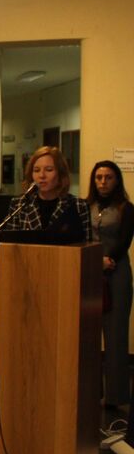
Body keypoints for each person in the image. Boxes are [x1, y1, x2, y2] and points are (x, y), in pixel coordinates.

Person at [86, 160, 133, 409]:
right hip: (90, 270)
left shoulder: (126, 208)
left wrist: (108, 259)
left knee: (115, 334)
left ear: (117, 180)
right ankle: (92, 393)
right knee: (88, 334)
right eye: (99, 177)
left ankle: (116, 397)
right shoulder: (86, 206)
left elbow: (125, 240)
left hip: (117, 272)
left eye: (108, 177)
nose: (103, 182)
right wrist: (96, 261)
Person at [4, 146, 92, 244]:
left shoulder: (78, 205)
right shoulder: (19, 203)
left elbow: (87, 246)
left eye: (49, 170)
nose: (42, 175)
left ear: (60, 174)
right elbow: (9, 244)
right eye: (36, 170)